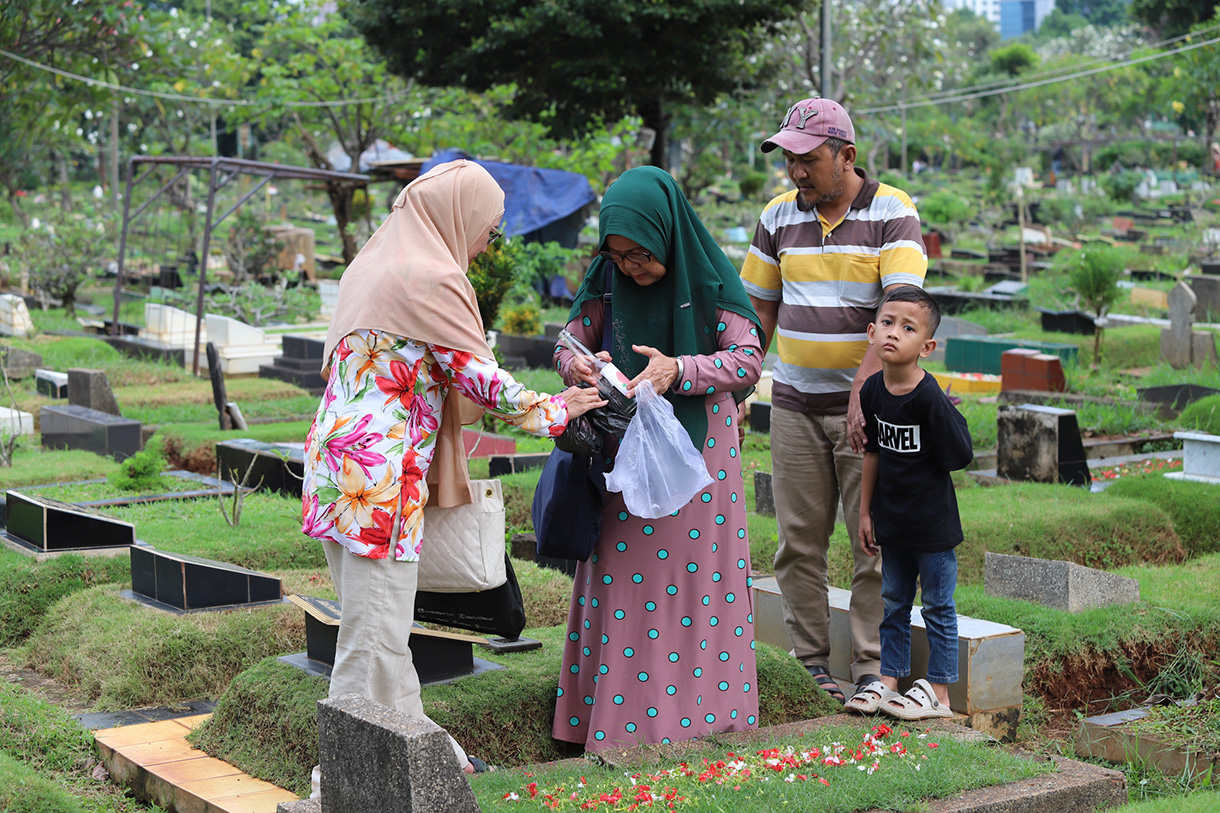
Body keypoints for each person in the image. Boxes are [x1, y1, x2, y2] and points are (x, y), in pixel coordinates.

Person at [300, 160, 605, 791]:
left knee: (379, 628)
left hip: (339, 466)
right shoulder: (431, 276)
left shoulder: (373, 262)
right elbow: (475, 376)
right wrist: (555, 409)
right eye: (488, 228)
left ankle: (433, 755)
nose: (486, 243)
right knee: (371, 637)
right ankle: (337, 783)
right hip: (379, 479)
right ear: (457, 214)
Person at [552, 165, 764, 751]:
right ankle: (618, 728)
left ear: (668, 234)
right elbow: (567, 343)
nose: (630, 268)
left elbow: (747, 361)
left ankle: (701, 724)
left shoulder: (710, 279)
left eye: (640, 256)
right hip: (626, 455)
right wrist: (579, 365)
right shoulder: (605, 279)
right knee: (621, 584)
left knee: (697, 585)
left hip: (697, 459)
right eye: (617, 257)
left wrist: (681, 369)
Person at [740, 97, 928, 705]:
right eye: (789, 159)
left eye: (808, 159)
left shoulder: (892, 211)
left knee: (871, 540)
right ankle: (812, 664)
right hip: (793, 404)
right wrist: (740, 387)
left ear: (846, 156)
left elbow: (898, 310)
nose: (796, 172)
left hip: (870, 412)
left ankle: (872, 668)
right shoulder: (777, 217)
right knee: (798, 541)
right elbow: (759, 312)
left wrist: (863, 396)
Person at [848, 287, 973, 719]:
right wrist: (866, 512)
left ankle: (939, 694)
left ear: (927, 346)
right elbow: (873, 454)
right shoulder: (872, 393)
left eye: (907, 328)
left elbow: (959, 455)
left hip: (932, 527)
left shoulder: (929, 398)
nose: (893, 333)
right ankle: (888, 680)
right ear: (870, 331)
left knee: (938, 606)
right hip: (893, 522)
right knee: (894, 602)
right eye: (886, 323)